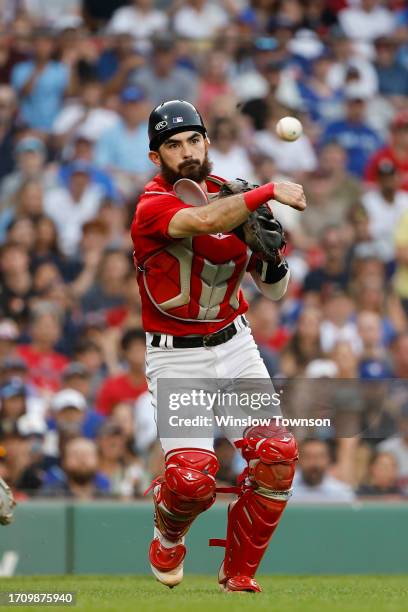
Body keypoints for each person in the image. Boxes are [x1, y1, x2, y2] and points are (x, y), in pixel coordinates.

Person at [131, 100, 306, 592]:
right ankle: (167, 537)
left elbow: (274, 291)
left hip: (235, 345)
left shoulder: (235, 194)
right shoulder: (151, 204)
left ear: (206, 142)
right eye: (172, 145)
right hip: (176, 355)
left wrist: (271, 260)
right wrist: (267, 193)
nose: (186, 152)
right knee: (190, 479)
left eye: (193, 140)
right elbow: (203, 222)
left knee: (276, 454)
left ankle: (239, 573)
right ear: (155, 157)